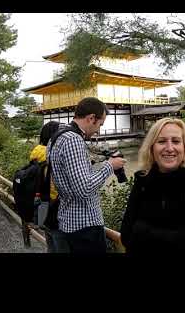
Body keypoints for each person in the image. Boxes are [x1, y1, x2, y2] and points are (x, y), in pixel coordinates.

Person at [120, 117, 185, 254]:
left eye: (176, 141)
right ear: (151, 147)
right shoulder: (143, 178)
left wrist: (142, 230)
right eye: (162, 141)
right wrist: (172, 237)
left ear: (184, 146)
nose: (169, 148)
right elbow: (126, 236)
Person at [47, 97, 126, 254]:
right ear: (91, 118)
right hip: (84, 225)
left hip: (68, 220)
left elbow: (68, 177)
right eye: (100, 124)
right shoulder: (73, 140)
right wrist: (110, 165)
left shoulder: (57, 136)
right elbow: (84, 189)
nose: (98, 130)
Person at [29, 120, 62, 252]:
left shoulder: (36, 151)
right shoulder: (49, 152)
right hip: (53, 203)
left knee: (50, 242)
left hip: (42, 201)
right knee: (59, 242)